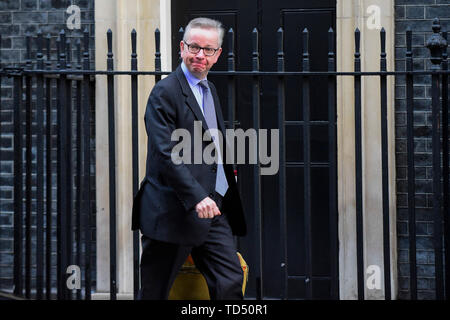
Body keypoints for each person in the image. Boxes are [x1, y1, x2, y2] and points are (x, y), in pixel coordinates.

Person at [131, 17, 247, 300]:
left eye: (208, 50)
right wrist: (196, 196)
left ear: (217, 54)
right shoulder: (165, 92)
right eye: (194, 47)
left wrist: (221, 177)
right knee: (154, 292)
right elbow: (166, 154)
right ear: (182, 47)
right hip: (171, 211)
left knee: (230, 281)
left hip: (211, 209)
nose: (200, 55)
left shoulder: (210, 89)